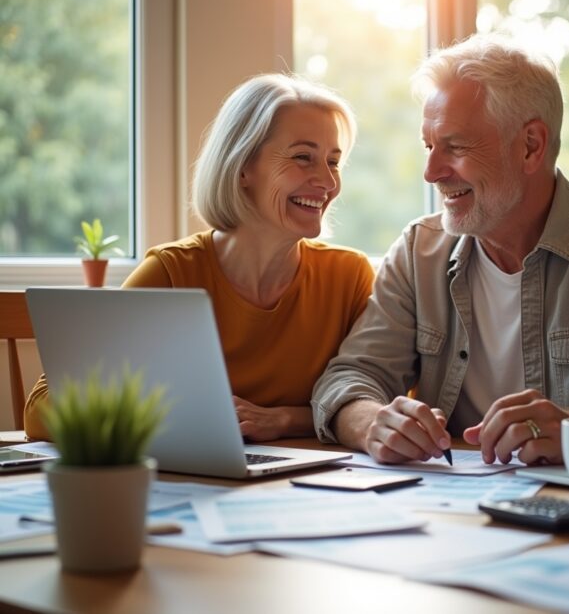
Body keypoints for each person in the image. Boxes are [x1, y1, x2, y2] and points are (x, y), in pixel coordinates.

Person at [311, 34, 569, 466]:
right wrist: (372, 423)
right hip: (454, 510)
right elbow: (350, 377)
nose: (431, 172)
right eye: (429, 146)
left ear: (531, 145)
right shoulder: (418, 250)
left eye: (455, 147)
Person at [24, 73, 374, 442]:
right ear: (242, 169)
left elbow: (379, 403)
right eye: (303, 157)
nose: (327, 181)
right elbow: (42, 409)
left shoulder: (348, 276)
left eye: (333, 162)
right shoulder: (172, 272)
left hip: (310, 488)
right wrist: (190, 419)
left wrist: (284, 420)